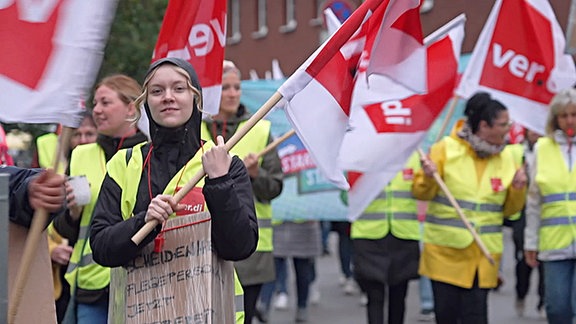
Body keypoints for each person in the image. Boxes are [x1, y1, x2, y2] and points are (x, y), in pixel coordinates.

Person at [89, 58, 258, 322]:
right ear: (147, 102)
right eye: (157, 91)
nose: (168, 97)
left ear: (195, 99)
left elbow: (240, 247)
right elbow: (101, 248)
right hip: (141, 313)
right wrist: (142, 222)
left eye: (179, 89)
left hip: (211, 313)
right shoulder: (124, 163)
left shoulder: (224, 164)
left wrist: (219, 183)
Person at [413, 92, 527, 323]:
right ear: (484, 126)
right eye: (503, 124)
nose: (508, 129)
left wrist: (518, 188)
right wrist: (427, 176)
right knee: (447, 318)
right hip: (445, 257)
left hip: (483, 258)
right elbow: (420, 192)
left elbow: (510, 211)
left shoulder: (509, 157)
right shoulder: (444, 149)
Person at [52, 74, 148, 322]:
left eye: (105, 103)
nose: (97, 110)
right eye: (95, 104)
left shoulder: (151, 153)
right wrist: (72, 213)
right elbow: (65, 229)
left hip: (137, 281)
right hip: (91, 284)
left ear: (131, 107)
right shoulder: (80, 154)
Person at [201, 60, 283, 324]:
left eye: (236, 87)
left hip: (251, 247)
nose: (233, 93)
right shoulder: (194, 132)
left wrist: (256, 175)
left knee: (242, 316)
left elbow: (275, 187)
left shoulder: (260, 129)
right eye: (225, 87)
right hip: (203, 243)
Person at [524, 88, 576, 324]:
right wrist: (530, 241)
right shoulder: (542, 149)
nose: (569, 121)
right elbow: (534, 200)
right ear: (555, 118)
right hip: (554, 242)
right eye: (563, 115)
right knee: (556, 308)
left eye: (574, 114)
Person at [351, 152, 422, 324]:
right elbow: (347, 194)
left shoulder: (414, 155)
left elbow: (423, 191)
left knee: (398, 295)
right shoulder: (360, 156)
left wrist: (428, 176)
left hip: (403, 233)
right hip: (369, 234)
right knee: (374, 295)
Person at [48, 111, 98, 323]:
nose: (82, 140)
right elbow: (47, 226)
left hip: (93, 276)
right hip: (67, 276)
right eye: (77, 135)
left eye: (89, 134)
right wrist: (52, 250)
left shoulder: (106, 164)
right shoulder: (55, 171)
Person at [503, 128, 545, 317]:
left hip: (544, 213)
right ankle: (521, 294)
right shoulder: (516, 152)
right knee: (523, 259)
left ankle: (543, 300)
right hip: (521, 214)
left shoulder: (549, 151)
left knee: (545, 260)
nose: (535, 134)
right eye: (532, 130)